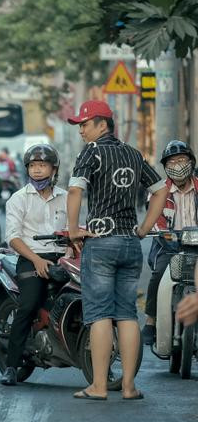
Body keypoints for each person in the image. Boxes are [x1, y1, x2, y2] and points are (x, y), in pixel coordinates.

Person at [66, 99, 166, 401]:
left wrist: (73, 230)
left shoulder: (92, 152)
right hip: (129, 243)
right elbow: (161, 189)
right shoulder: (134, 154)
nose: (81, 130)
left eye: (85, 124)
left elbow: (74, 190)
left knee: (99, 316)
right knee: (126, 315)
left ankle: (98, 386)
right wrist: (146, 227)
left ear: (102, 124)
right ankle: (129, 387)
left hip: (100, 242)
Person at [0, 144, 68, 386]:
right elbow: (13, 237)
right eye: (33, 166)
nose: (37, 170)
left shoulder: (66, 197)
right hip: (30, 258)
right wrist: (37, 260)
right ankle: (11, 365)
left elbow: (74, 232)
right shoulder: (19, 199)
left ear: (53, 169)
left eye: (42, 165)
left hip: (62, 259)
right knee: (27, 306)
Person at [143, 140, 198, 348]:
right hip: (169, 244)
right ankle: (151, 320)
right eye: (172, 161)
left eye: (182, 159)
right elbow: (155, 220)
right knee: (158, 274)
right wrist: (164, 234)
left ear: (191, 162)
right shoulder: (159, 191)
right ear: (165, 167)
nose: (177, 165)